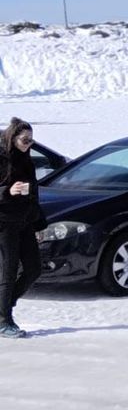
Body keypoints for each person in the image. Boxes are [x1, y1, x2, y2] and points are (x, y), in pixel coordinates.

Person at [0, 118, 44, 338]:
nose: (28, 144)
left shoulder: (27, 162)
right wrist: (8, 191)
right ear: (13, 137)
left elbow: (34, 195)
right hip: (4, 223)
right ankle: (3, 320)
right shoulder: (1, 160)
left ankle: (3, 305)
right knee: (7, 272)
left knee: (34, 268)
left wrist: (39, 224)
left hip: (25, 221)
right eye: (25, 140)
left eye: (31, 141)